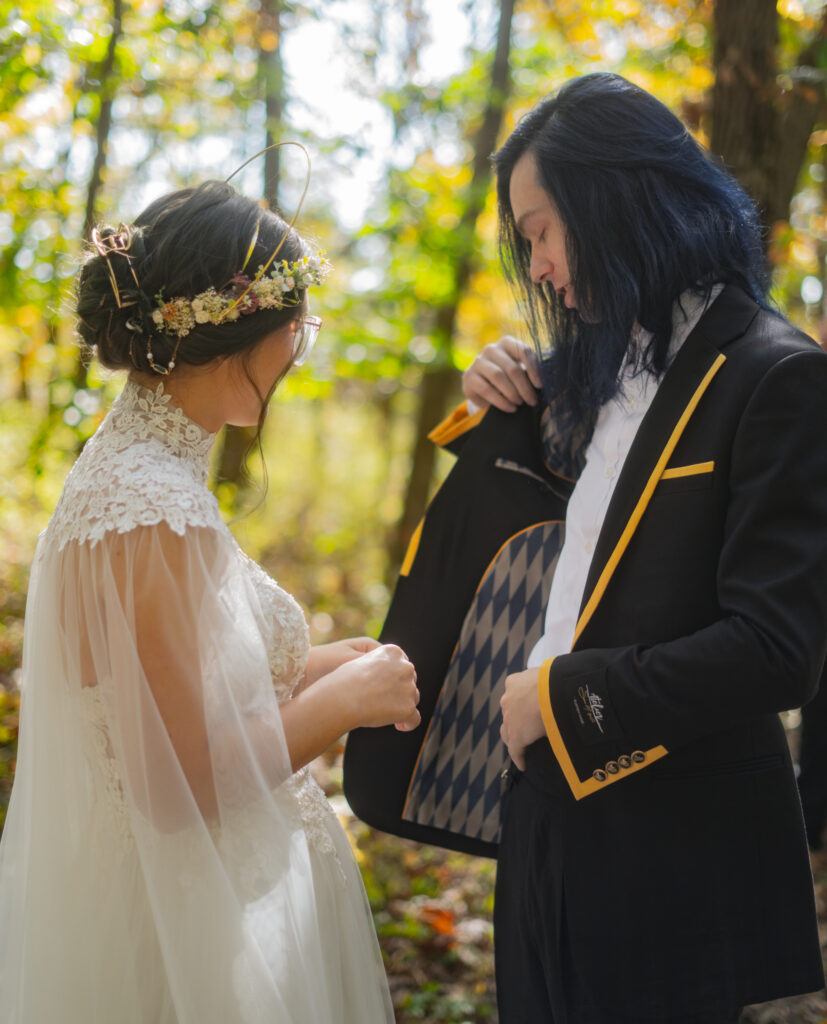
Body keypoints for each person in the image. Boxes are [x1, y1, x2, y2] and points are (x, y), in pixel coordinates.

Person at [0, 179, 421, 1023]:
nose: (300, 345)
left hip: (189, 901)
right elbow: (171, 778)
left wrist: (313, 669)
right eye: (296, 325)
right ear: (238, 332)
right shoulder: (152, 504)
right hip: (182, 934)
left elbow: (162, 707)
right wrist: (342, 704)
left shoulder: (137, 473)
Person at [456, 74, 827, 1022]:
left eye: (539, 230)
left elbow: (775, 650)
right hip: (542, 828)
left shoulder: (780, 378)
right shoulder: (594, 373)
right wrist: (492, 381)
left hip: (672, 868)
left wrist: (560, 698)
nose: (534, 266)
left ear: (614, 195)